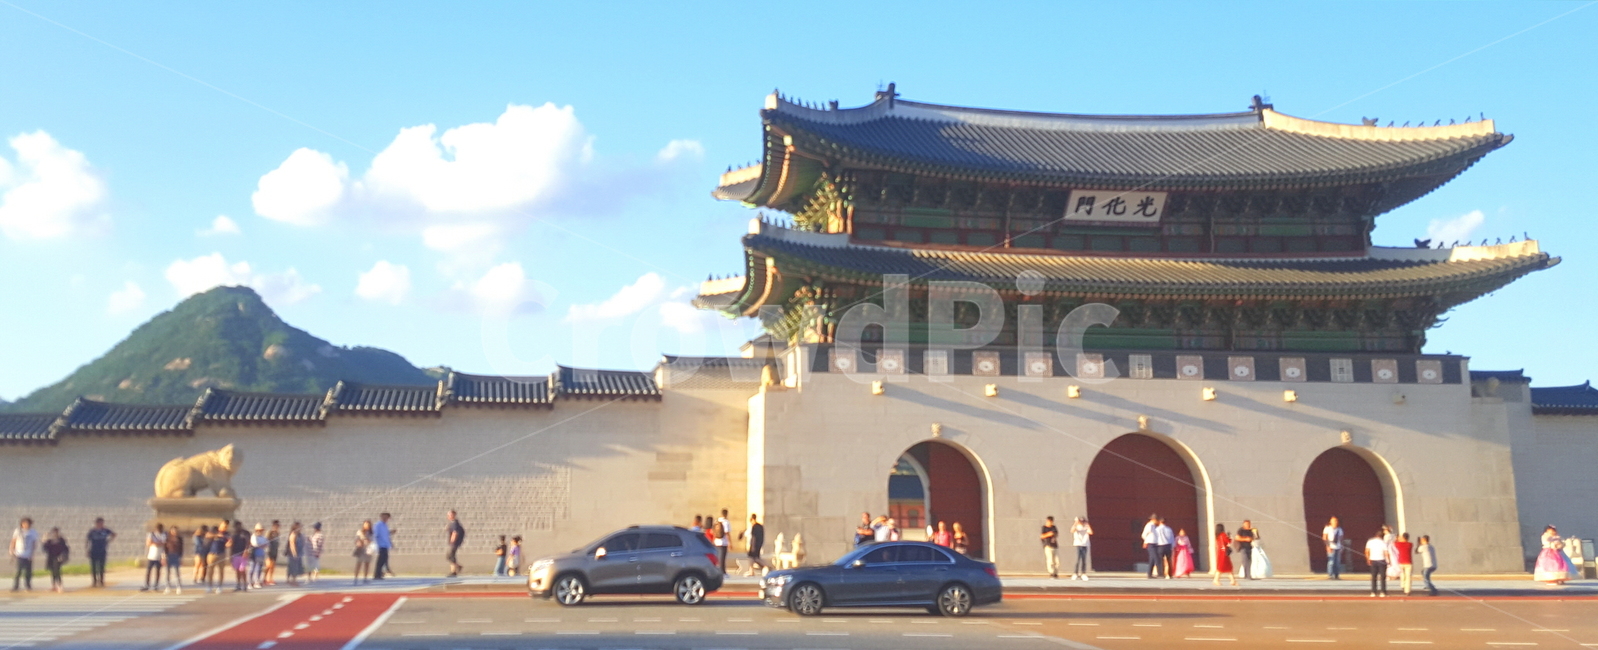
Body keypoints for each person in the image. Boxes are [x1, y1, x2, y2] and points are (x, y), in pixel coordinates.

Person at [86, 517, 116, 588]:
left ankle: (101, 581)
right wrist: (87, 550)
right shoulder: (92, 531)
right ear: (96, 523)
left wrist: (109, 541)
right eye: (100, 523)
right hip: (93, 550)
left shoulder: (105, 530)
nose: (101, 525)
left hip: (102, 550)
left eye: (102, 523)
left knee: (101, 566)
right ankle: (94, 581)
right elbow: (87, 540)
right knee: (94, 567)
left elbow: (114, 534)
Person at [10, 517, 38, 592]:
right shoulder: (18, 531)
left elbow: (34, 543)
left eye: (27, 523)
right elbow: (13, 541)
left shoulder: (33, 532)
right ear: (21, 524)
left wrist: (32, 553)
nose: (25, 525)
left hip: (28, 554)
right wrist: (11, 550)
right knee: (18, 571)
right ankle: (16, 586)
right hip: (19, 554)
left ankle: (28, 586)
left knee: (28, 571)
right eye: (24, 523)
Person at [205, 522, 230, 593]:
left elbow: (229, 542)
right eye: (223, 526)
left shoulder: (227, 534)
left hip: (221, 554)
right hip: (212, 553)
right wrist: (217, 535)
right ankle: (209, 586)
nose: (224, 528)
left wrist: (228, 544)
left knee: (221, 571)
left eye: (226, 527)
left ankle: (220, 586)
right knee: (210, 571)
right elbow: (207, 535)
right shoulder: (214, 530)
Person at [142, 523, 166, 592]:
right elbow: (148, 543)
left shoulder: (163, 535)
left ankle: (156, 585)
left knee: (158, 571)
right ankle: (147, 584)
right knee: (149, 571)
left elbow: (164, 544)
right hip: (151, 556)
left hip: (160, 556)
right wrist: (158, 543)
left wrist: (155, 543)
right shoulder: (151, 534)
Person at [43, 528, 68, 593]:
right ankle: (54, 586)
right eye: (53, 533)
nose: (55, 534)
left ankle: (60, 585)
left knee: (57, 571)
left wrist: (63, 556)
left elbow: (65, 549)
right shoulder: (50, 541)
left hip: (58, 558)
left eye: (56, 533)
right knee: (53, 572)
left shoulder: (61, 540)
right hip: (51, 558)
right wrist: (44, 540)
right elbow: (45, 549)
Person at [1365, 530, 1389, 597]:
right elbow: (1386, 553)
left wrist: (1368, 559)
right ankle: (1383, 592)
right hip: (1382, 560)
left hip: (1373, 560)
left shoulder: (1370, 541)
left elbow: (1367, 551)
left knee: (1373, 577)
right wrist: (1388, 561)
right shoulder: (1383, 542)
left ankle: (1373, 592)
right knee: (1382, 577)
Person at [163, 524, 185, 594]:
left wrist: (181, 557)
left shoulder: (179, 538)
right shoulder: (167, 538)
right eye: (173, 530)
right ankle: (167, 587)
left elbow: (181, 549)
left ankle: (178, 587)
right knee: (167, 572)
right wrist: (164, 557)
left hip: (176, 555)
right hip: (169, 555)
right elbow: (165, 548)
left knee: (177, 572)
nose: (174, 531)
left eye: (175, 530)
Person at [1140, 514, 1164, 579]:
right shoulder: (1149, 525)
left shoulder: (1155, 526)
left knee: (1152, 559)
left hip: (1155, 543)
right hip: (1150, 543)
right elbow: (1144, 534)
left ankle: (1149, 573)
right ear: (1153, 519)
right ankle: (1160, 573)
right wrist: (1146, 541)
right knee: (1157, 558)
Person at [231, 522, 252, 592]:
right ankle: (238, 584)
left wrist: (246, 550)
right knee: (237, 570)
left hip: (243, 554)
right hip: (235, 553)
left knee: (242, 570)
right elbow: (232, 544)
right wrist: (231, 555)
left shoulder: (245, 533)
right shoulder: (234, 534)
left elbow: (248, 542)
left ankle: (245, 585)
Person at [372, 513, 392, 580]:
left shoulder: (385, 525)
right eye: (384, 517)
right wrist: (376, 544)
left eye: (387, 517)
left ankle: (380, 574)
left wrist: (391, 532)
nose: (385, 519)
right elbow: (376, 535)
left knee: (384, 560)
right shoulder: (378, 525)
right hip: (380, 545)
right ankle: (377, 575)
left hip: (385, 545)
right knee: (380, 561)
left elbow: (386, 534)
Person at [353, 520, 374, 585]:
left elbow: (372, 540)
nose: (366, 526)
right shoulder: (360, 532)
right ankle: (356, 578)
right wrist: (359, 542)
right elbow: (356, 539)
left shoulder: (371, 533)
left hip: (368, 549)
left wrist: (366, 539)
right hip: (361, 549)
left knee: (367, 564)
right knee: (359, 564)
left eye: (368, 525)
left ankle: (365, 578)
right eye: (365, 524)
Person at [284, 522, 304, 587]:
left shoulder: (300, 535)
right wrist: (294, 554)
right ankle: (293, 581)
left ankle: (289, 579)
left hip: (299, 553)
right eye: (299, 527)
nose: (300, 528)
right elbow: (292, 545)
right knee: (293, 567)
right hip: (293, 554)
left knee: (293, 567)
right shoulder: (293, 535)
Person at [248, 523, 268, 588]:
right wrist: (261, 545)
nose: (260, 531)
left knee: (259, 569)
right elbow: (255, 544)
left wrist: (261, 545)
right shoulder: (254, 536)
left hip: (261, 554)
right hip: (253, 554)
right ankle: (250, 582)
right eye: (259, 530)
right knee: (252, 568)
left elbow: (267, 544)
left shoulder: (263, 537)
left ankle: (257, 582)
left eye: (261, 530)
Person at [263, 520, 281, 586]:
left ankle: (270, 578)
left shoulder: (278, 533)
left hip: (275, 551)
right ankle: (264, 578)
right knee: (268, 566)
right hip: (269, 551)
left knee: (273, 566)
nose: (277, 527)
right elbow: (266, 540)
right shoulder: (270, 532)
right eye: (276, 526)